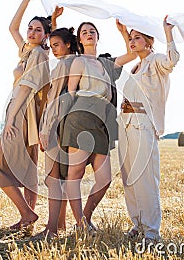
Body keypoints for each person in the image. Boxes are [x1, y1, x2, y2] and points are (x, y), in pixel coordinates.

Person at [62, 20, 136, 230]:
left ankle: (85, 218)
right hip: (82, 117)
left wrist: (123, 32)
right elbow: (71, 92)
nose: (88, 34)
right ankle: (80, 222)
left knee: (104, 179)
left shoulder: (107, 64)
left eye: (92, 31)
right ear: (80, 39)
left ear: (97, 36)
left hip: (103, 121)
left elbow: (131, 55)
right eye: (84, 32)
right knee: (75, 173)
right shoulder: (79, 62)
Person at [0, 0, 51, 235]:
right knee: (28, 167)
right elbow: (12, 28)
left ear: (46, 35)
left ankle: (27, 213)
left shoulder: (38, 55)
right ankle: (27, 218)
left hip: (23, 114)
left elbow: (26, 88)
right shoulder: (28, 51)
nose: (32, 32)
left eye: (38, 30)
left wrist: (11, 120)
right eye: (30, 28)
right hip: (25, 114)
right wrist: (26, 0)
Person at [118, 15, 179, 241]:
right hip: (125, 124)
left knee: (146, 178)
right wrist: (123, 33)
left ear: (149, 41)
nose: (132, 42)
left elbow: (172, 60)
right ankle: (137, 224)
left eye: (137, 38)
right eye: (131, 39)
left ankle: (152, 232)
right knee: (130, 178)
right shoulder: (136, 66)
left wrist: (168, 33)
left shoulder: (155, 61)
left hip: (143, 124)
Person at [37, 23, 78, 238]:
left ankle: (50, 230)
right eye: (51, 45)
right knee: (60, 179)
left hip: (56, 126)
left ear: (68, 44)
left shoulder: (64, 64)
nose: (53, 49)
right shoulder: (76, 61)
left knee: (53, 180)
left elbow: (54, 100)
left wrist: (45, 129)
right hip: (68, 126)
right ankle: (59, 224)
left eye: (56, 45)